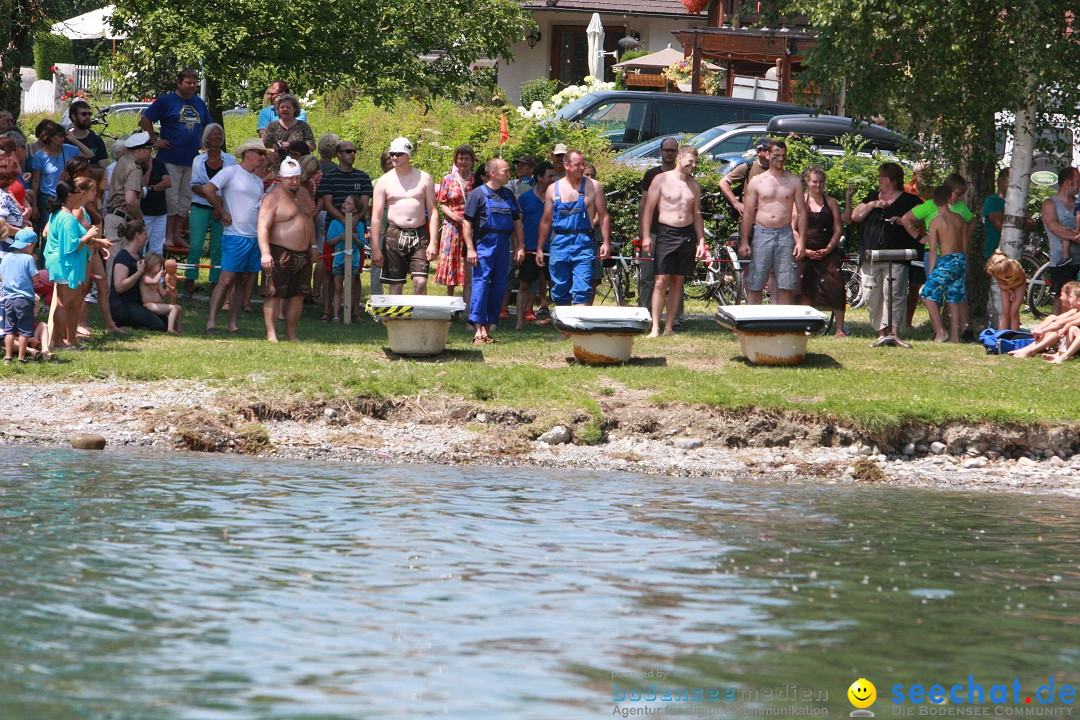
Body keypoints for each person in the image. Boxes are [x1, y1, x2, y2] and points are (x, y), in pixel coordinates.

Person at [202, 138, 272, 334]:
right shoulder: (230, 172)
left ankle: (233, 323)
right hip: (235, 235)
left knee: (244, 281)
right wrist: (222, 211)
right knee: (226, 279)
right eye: (260, 153)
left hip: (253, 236)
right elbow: (208, 189)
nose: (262, 158)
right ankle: (211, 322)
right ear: (248, 153)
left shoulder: (258, 180)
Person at [138, 68, 212, 250]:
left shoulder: (199, 103)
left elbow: (207, 124)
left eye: (194, 82)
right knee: (171, 199)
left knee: (185, 199)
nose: (192, 86)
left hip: (191, 160)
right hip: (170, 158)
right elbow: (145, 118)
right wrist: (155, 140)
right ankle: (167, 235)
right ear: (179, 83)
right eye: (188, 82)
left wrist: (203, 140)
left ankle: (177, 234)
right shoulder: (167, 101)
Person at [850, 162, 922, 341]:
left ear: (893, 180)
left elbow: (923, 218)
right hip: (871, 255)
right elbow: (855, 217)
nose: (879, 180)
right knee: (872, 295)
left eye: (882, 176)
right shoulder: (871, 197)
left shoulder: (909, 200)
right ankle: (881, 332)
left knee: (895, 294)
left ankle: (894, 333)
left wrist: (905, 221)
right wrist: (872, 204)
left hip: (898, 255)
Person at [640, 145, 707, 336]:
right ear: (679, 159)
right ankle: (655, 326)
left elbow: (697, 214)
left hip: (687, 235)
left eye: (695, 163)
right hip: (666, 232)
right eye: (689, 162)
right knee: (661, 280)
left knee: (678, 280)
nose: (693, 166)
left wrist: (701, 241)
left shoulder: (694, 185)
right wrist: (646, 236)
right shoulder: (661, 180)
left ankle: (669, 326)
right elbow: (648, 209)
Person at [900, 172, 975, 336]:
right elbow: (906, 219)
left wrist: (964, 242)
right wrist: (919, 238)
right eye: (957, 194)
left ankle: (963, 330)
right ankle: (938, 330)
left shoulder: (960, 209)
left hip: (954, 256)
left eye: (962, 194)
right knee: (935, 293)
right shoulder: (930, 206)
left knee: (956, 294)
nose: (959, 198)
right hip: (937, 255)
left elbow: (971, 221)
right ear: (948, 192)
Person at [538, 150, 610, 311]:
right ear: (566, 165)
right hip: (559, 243)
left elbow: (604, 216)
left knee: (583, 288)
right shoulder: (552, 189)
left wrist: (606, 242)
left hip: (584, 241)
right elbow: (545, 221)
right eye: (577, 164)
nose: (582, 168)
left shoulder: (594, 187)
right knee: (560, 288)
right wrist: (539, 249)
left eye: (583, 164)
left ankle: (579, 330)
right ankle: (565, 333)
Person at [462, 158, 524, 343]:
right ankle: (477, 329)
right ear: (492, 173)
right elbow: (467, 223)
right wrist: (471, 249)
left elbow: (517, 222)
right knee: (481, 286)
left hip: (503, 246)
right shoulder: (477, 194)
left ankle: (488, 330)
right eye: (505, 171)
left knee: (498, 287)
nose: (508, 174)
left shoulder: (508, 195)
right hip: (483, 246)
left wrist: (520, 246)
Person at [42, 177, 109, 348]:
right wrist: (89, 235)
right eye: (78, 192)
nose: (81, 195)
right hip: (66, 265)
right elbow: (70, 245)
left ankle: (71, 340)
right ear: (70, 195)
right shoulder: (66, 217)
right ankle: (58, 341)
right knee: (65, 303)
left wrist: (98, 243)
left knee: (73, 302)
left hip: (70, 264)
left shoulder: (60, 214)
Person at [738, 139, 806, 305]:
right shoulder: (757, 181)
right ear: (767, 155)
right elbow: (747, 212)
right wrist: (745, 241)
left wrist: (802, 241)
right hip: (762, 233)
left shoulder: (793, 181)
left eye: (783, 156)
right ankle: (753, 324)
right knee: (756, 281)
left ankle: (783, 323)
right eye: (776, 155)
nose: (780, 159)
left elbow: (802, 212)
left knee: (786, 282)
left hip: (785, 233)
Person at [370, 137, 439, 294]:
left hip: (419, 233)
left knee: (420, 281)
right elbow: (376, 216)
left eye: (399, 154)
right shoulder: (383, 181)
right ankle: (397, 318)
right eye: (392, 153)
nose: (394, 157)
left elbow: (433, 211)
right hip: (394, 233)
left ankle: (418, 317)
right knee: (395, 285)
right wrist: (375, 248)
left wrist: (434, 242)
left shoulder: (424, 178)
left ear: (408, 155)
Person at [257, 157, 315, 342]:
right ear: (281, 178)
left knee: (298, 295)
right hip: (279, 251)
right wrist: (265, 253)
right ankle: (271, 334)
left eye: (297, 177)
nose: (294, 181)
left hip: (303, 252)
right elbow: (262, 226)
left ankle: (291, 334)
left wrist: (313, 245)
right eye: (290, 178)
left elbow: (309, 221)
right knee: (274, 293)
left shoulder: (305, 194)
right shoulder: (272, 197)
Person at [792, 166, 847, 337]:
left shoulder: (831, 202)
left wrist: (828, 249)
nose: (818, 185)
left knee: (836, 286)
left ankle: (839, 328)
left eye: (821, 182)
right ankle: (806, 326)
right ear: (808, 182)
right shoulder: (800, 200)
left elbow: (838, 228)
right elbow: (792, 227)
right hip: (804, 249)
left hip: (827, 250)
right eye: (815, 182)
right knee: (804, 287)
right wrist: (802, 247)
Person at [637, 137, 685, 322]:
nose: (669, 153)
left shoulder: (684, 174)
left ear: (677, 153)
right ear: (660, 151)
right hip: (654, 232)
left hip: (677, 233)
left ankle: (677, 318)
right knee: (648, 276)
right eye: (667, 150)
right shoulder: (651, 175)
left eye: (673, 150)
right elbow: (644, 205)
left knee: (675, 278)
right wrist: (643, 231)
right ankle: (644, 315)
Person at [185, 123, 236, 296]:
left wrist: (219, 207)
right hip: (200, 207)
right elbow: (195, 186)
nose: (217, 137)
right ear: (207, 138)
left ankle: (215, 286)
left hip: (223, 208)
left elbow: (231, 186)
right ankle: (189, 284)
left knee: (218, 248)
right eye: (214, 134)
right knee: (196, 246)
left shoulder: (230, 160)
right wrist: (213, 200)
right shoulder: (198, 160)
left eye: (220, 134)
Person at [920, 185, 968, 343]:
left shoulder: (935, 222)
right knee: (953, 297)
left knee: (926, 293)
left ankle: (941, 331)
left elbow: (933, 251)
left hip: (947, 261)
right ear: (949, 199)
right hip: (960, 260)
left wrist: (932, 270)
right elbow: (964, 245)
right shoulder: (959, 218)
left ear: (934, 202)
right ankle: (955, 337)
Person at [29, 120, 92, 233]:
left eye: (64, 136)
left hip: (66, 195)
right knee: (49, 231)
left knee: (67, 229)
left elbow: (89, 154)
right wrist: (34, 206)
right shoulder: (40, 156)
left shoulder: (69, 149)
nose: (63, 139)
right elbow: (35, 181)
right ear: (50, 137)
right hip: (48, 197)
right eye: (60, 136)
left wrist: (74, 139)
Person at [515, 161, 554, 330]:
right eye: (549, 176)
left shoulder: (556, 198)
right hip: (530, 248)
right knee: (525, 285)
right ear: (539, 177)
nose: (553, 179)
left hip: (553, 248)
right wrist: (519, 247)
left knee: (557, 285)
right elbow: (517, 225)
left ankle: (562, 323)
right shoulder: (525, 198)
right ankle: (519, 322)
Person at [434, 144, 475, 301]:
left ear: (472, 161)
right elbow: (442, 203)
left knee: (468, 262)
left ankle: (467, 302)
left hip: (470, 226)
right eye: (460, 158)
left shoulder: (475, 180)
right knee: (451, 261)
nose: (463, 161)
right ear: (456, 161)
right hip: (452, 226)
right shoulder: (448, 179)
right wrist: (456, 218)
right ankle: (450, 301)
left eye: (466, 158)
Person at [110, 220, 165, 331]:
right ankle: (129, 326)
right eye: (145, 234)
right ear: (137, 235)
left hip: (138, 303)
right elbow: (119, 287)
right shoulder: (123, 257)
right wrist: (139, 272)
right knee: (158, 326)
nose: (147, 237)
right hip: (122, 305)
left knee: (167, 323)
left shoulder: (139, 256)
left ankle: (135, 325)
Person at [1040, 167, 1080, 315]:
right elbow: (1054, 227)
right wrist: (1076, 237)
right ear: (1067, 182)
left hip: (1079, 260)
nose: (1079, 185)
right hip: (1061, 262)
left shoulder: (1079, 203)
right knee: (1060, 300)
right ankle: (1052, 334)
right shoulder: (1050, 203)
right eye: (1077, 182)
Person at [1008, 281, 1080, 359]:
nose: (1068, 299)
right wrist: (1042, 329)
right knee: (1055, 325)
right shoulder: (1075, 311)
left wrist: (1043, 330)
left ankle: (1032, 351)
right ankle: (1027, 349)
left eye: (1071, 297)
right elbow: (1057, 320)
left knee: (1062, 330)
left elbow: (1064, 323)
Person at [103, 132, 153, 244]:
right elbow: (130, 200)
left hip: (113, 217)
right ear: (139, 151)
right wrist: (140, 218)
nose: (150, 153)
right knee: (117, 260)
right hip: (121, 220)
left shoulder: (122, 161)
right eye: (148, 150)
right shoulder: (134, 168)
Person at [1, 228, 39, 363]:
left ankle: (8, 357)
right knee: (24, 330)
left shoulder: (5, 258)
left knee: (9, 329)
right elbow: (36, 279)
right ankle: (22, 358)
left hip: (8, 299)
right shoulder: (28, 258)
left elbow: (1, 277)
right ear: (29, 245)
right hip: (24, 299)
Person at [326, 194, 364, 323]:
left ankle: (349, 314)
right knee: (337, 287)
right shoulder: (335, 223)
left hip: (353, 260)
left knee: (350, 287)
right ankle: (335, 315)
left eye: (348, 203)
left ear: (355, 210)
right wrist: (339, 238)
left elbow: (362, 245)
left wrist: (356, 238)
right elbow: (329, 241)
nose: (344, 204)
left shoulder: (359, 225)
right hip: (338, 260)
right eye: (344, 202)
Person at [719, 137, 771, 216]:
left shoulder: (778, 170)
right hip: (749, 219)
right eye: (767, 149)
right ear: (758, 151)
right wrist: (736, 203)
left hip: (770, 221)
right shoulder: (747, 168)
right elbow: (723, 183)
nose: (770, 152)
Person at [138, 252, 183, 334]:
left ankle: (179, 329)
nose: (161, 268)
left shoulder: (157, 279)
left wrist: (169, 287)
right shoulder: (145, 277)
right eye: (160, 266)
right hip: (149, 305)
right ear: (152, 264)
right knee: (173, 308)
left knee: (178, 308)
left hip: (158, 304)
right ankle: (170, 330)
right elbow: (154, 282)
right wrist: (159, 275)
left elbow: (163, 294)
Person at [261, 94, 315, 159]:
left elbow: (312, 146)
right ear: (278, 109)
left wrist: (291, 145)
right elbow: (264, 144)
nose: (285, 109)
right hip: (275, 166)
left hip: (298, 165)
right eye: (282, 107)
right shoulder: (272, 126)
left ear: (295, 109)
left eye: (288, 107)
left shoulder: (303, 126)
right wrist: (276, 145)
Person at [985, 250, 1026, 332]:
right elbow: (1002, 283)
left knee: (1013, 312)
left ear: (1006, 268)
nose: (1001, 275)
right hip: (1006, 286)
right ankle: (1001, 335)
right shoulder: (994, 271)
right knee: (1006, 311)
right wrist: (1010, 292)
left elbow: (1022, 280)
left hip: (1019, 284)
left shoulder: (1015, 268)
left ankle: (1014, 334)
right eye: (998, 273)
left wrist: (1009, 288)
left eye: (1003, 273)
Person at [140, 148, 171, 255]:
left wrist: (151, 188)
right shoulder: (137, 166)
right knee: (142, 245)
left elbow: (167, 183)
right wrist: (149, 169)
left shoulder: (158, 163)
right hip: (145, 212)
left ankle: (156, 269)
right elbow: (143, 186)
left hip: (160, 211)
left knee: (157, 246)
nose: (149, 153)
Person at [66, 99, 108, 168]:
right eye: (84, 114)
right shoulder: (64, 139)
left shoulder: (97, 140)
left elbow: (103, 169)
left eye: (89, 114)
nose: (88, 117)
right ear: (74, 116)